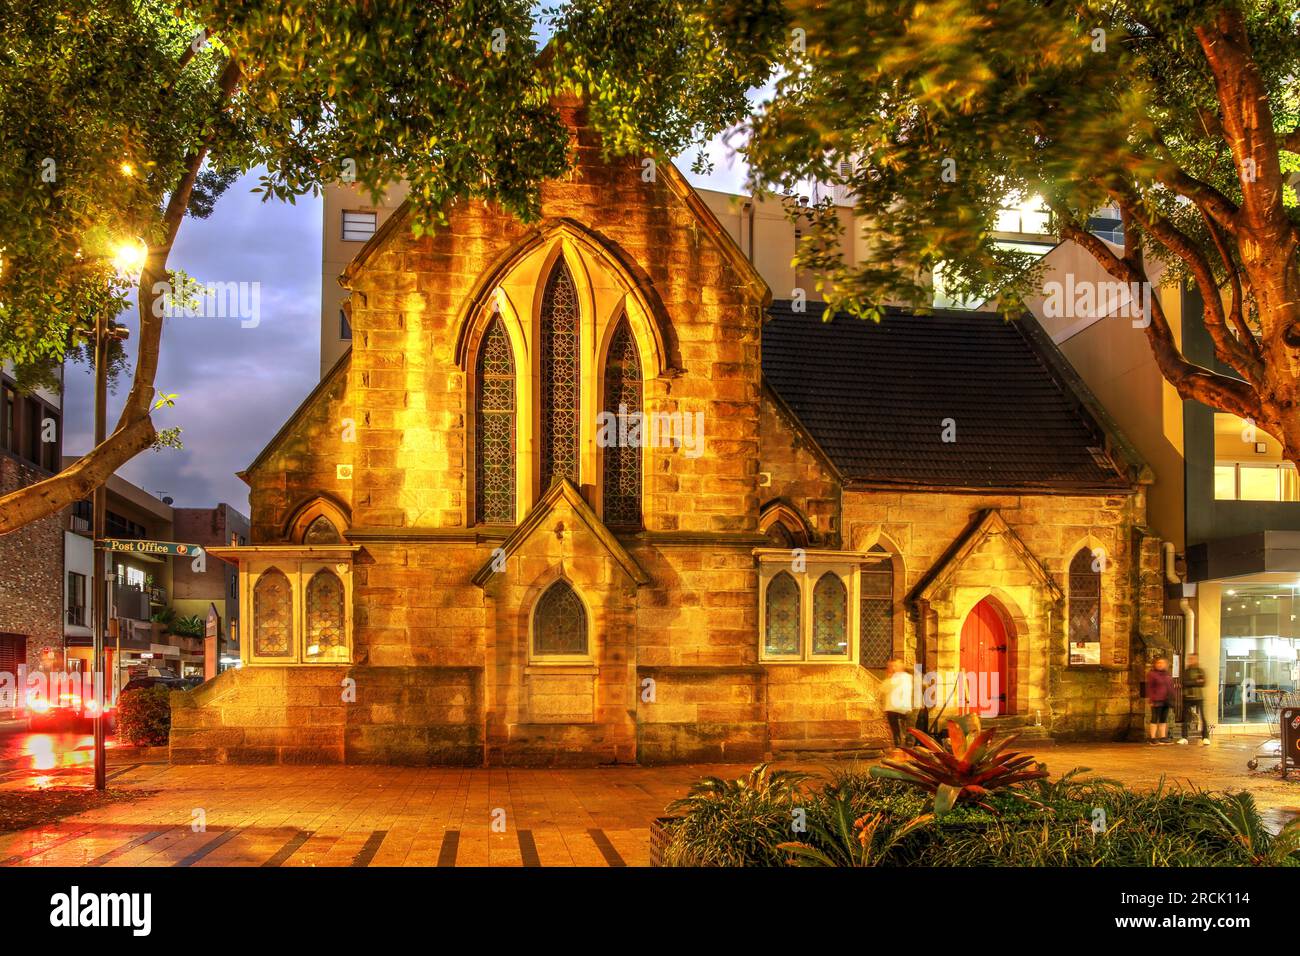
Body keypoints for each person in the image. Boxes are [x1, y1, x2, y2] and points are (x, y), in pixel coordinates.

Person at [880, 659, 915, 752]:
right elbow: (883, 689)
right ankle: (900, 749)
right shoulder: (896, 678)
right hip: (894, 708)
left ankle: (907, 750)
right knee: (897, 731)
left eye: (895, 665)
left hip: (902, 708)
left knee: (906, 731)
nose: (893, 668)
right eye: (892, 666)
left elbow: (885, 688)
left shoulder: (904, 677)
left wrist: (889, 676)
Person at [1178, 653, 1210, 745]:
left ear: (1197, 660)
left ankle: (1205, 737)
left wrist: (1193, 682)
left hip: (1199, 696)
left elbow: (1203, 683)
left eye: (1193, 659)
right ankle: (1184, 737)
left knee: (1203, 717)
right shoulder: (1186, 671)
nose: (1191, 660)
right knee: (1185, 717)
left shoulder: (1200, 671)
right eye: (1190, 659)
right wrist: (1196, 681)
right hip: (1187, 696)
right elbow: (1184, 682)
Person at [1146, 657, 1175, 744]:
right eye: (1158, 663)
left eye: (1162, 663)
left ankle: (1163, 737)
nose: (1160, 664)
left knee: (1163, 719)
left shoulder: (1167, 674)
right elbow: (1150, 687)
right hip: (1157, 700)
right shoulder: (1152, 674)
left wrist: (1172, 698)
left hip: (1166, 700)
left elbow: (1171, 687)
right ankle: (1153, 737)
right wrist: (1151, 699)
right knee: (1154, 719)